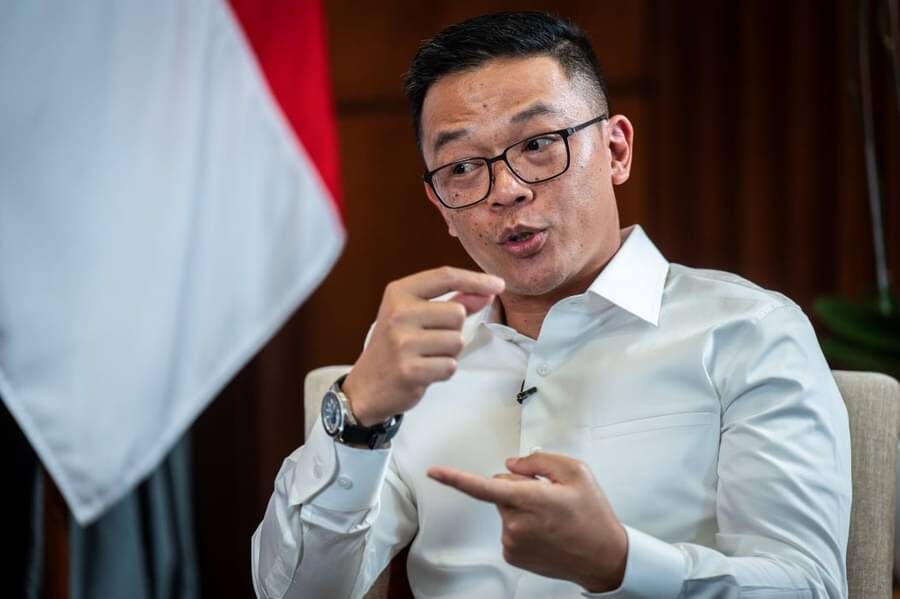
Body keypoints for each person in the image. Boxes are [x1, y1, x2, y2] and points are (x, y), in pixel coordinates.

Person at [251, 11, 851, 598]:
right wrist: (357, 417)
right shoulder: (416, 356)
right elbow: (296, 593)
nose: (506, 190)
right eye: (463, 167)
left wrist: (619, 562)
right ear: (441, 207)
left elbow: (810, 585)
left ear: (616, 150)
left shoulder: (747, 331)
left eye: (538, 144)